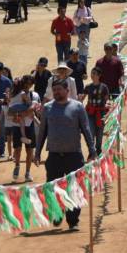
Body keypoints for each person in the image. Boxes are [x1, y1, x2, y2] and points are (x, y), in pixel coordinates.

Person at [34, 78, 96, 231]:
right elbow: (42, 132)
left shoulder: (77, 107)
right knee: (53, 188)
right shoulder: (47, 108)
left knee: (74, 189)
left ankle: (73, 220)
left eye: (59, 90)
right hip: (54, 156)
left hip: (74, 155)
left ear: (67, 90)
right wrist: (37, 153)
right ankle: (57, 214)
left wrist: (92, 150)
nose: (56, 92)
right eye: (54, 90)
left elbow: (86, 129)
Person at [6, 75, 40, 182]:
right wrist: (18, 115)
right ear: (22, 83)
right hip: (17, 125)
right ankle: (17, 166)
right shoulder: (16, 94)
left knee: (29, 150)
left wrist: (19, 115)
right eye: (26, 83)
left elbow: (32, 108)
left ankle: (27, 173)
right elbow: (9, 111)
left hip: (29, 125)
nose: (27, 86)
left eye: (30, 84)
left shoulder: (34, 95)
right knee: (17, 149)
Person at [82, 67, 109, 155]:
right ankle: (92, 151)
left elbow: (107, 100)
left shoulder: (104, 87)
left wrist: (108, 106)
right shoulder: (88, 87)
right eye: (92, 73)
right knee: (91, 132)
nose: (92, 75)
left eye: (94, 73)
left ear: (99, 75)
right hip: (90, 113)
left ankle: (98, 149)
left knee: (100, 133)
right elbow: (82, 98)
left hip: (101, 113)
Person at [73, 0, 94, 64]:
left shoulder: (87, 9)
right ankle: (80, 52)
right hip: (79, 26)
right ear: (79, 3)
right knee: (80, 39)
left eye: (83, 2)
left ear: (84, 3)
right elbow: (74, 18)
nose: (82, 3)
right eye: (81, 2)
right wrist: (78, 18)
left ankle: (86, 53)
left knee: (86, 38)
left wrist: (86, 18)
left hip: (86, 26)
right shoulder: (77, 10)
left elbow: (91, 17)